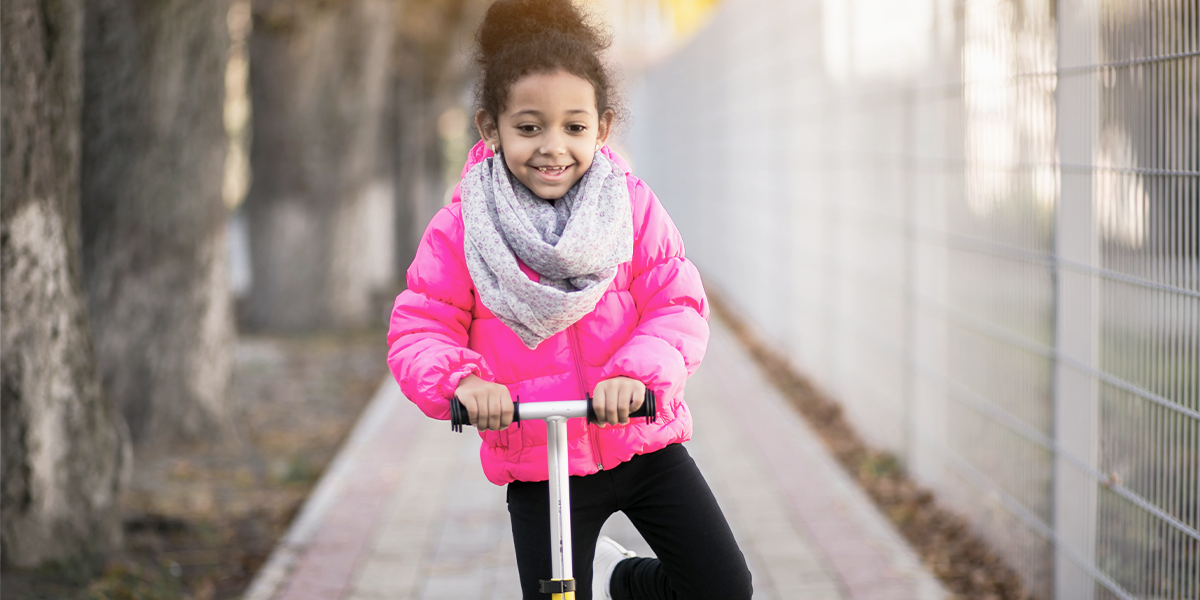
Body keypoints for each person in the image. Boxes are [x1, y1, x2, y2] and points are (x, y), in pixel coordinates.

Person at [386, 0, 752, 598]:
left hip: (639, 442)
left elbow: (676, 304)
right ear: (490, 128)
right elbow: (421, 325)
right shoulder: (462, 225)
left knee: (721, 586)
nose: (553, 147)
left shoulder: (629, 206)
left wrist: (636, 375)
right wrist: (462, 383)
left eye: (574, 128)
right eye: (529, 128)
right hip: (540, 461)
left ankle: (620, 579)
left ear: (602, 129)